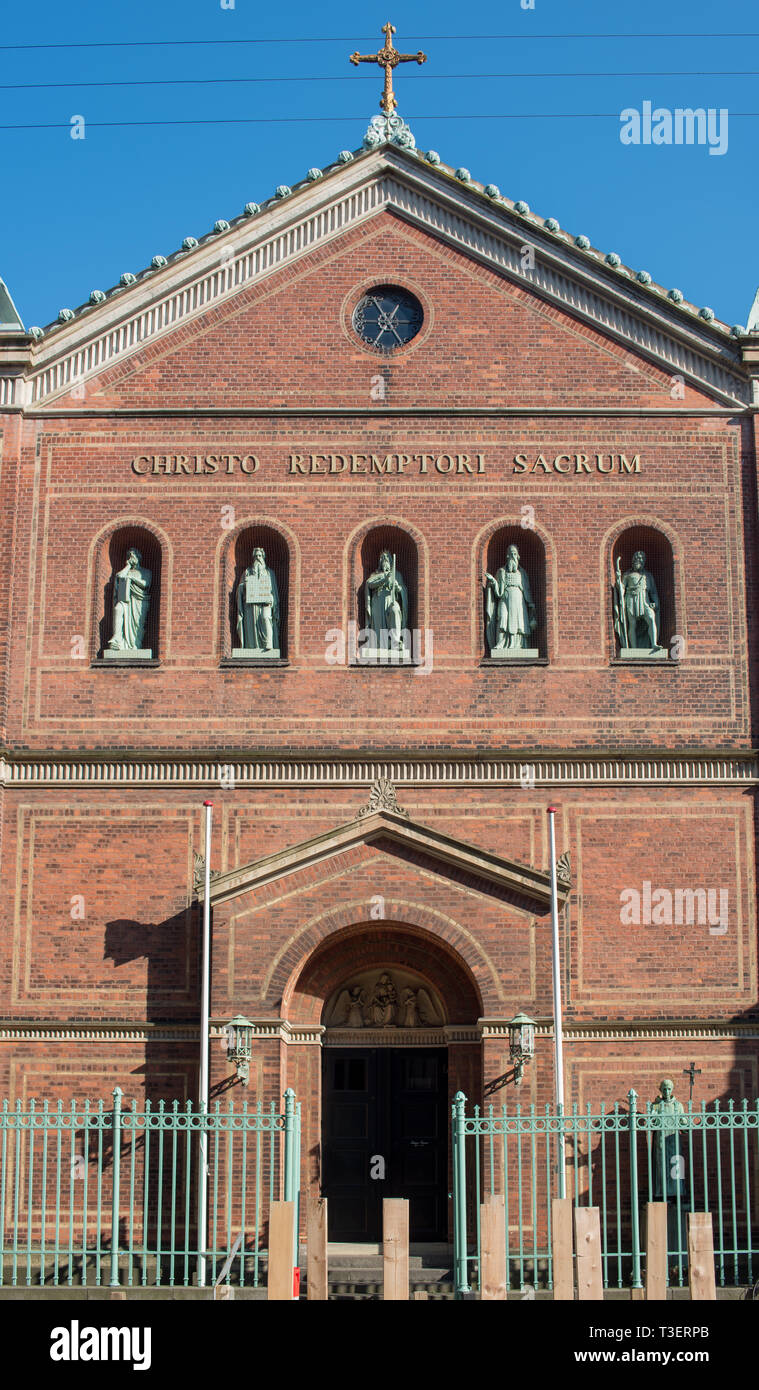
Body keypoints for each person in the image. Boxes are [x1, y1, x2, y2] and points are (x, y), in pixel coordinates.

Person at [484, 544, 537, 652]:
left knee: (518, 621)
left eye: (515, 554)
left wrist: (530, 604)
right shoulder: (501, 572)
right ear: (507, 556)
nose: (513, 556)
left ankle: (520, 644)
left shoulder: (522, 573)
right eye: (511, 553)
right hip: (505, 598)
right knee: (503, 618)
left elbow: (526, 590)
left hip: (519, 599)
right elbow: (498, 592)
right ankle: (501, 643)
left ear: (518, 556)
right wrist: (493, 581)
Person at [236, 547, 279, 652]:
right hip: (251, 606)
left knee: (266, 618)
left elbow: (274, 592)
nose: (258, 558)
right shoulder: (247, 572)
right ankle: (251, 647)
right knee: (251, 624)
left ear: (263, 557)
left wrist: (271, 599)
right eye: (256, 556)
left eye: (260, 556)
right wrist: (245, 585)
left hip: (265, 603)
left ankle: (269, 644)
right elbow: (239, 589)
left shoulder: (270, 573)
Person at [107, 548, 151, 652]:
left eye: (133, 556)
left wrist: (132, 579)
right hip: (125, 599)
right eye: (129, 556)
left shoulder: (145, 572)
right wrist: (128, 566)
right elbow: (120, 577)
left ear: (138, 557)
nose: (131, 558)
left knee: (137, 625)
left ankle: (136, 645)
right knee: (118, 609)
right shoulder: (126, 571)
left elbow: (146, 584)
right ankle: (117, 640)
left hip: (139, 601)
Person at [616, 550, 660, 649]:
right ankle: (633, 648)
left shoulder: (648, 576)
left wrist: (655, 602)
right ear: (633, 561)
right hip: (631, 599)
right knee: (632, 624)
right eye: (636, 559)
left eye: (641, 559)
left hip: (644, 599)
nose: (638, 560)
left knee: (651, 618)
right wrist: (619, 581)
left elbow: (653, 591)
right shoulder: (628, 574)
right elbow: (622, 590)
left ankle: (654, 644)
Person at [365, 550, 408, 652]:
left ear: (391, 562)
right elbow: (369, 583)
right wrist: (384, 578)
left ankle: (395, 642)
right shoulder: (375, 574)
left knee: (395, 610)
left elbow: (403, 590)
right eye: (383, 561)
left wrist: (398, 588)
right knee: (379, 625)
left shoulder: (396, 575)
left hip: (391, 599)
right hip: (378, 601)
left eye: (387, 560)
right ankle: (380, 645)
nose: (385, 563)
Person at [651, 1078, 686, 1200]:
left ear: (672, 1090)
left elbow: (684, 1126)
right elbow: (652, 1123)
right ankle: (661, 1194)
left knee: (676, 1165)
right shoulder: (656, 1105)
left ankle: (677, 1194)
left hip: (673, 1139)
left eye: (669, 1089)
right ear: (661, 1090)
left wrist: (685, 1123)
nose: (667, 1091)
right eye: (664, 1089)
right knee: (661, 1166)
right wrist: (654, 1111)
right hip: (660, 1140)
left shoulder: (678, 1105)